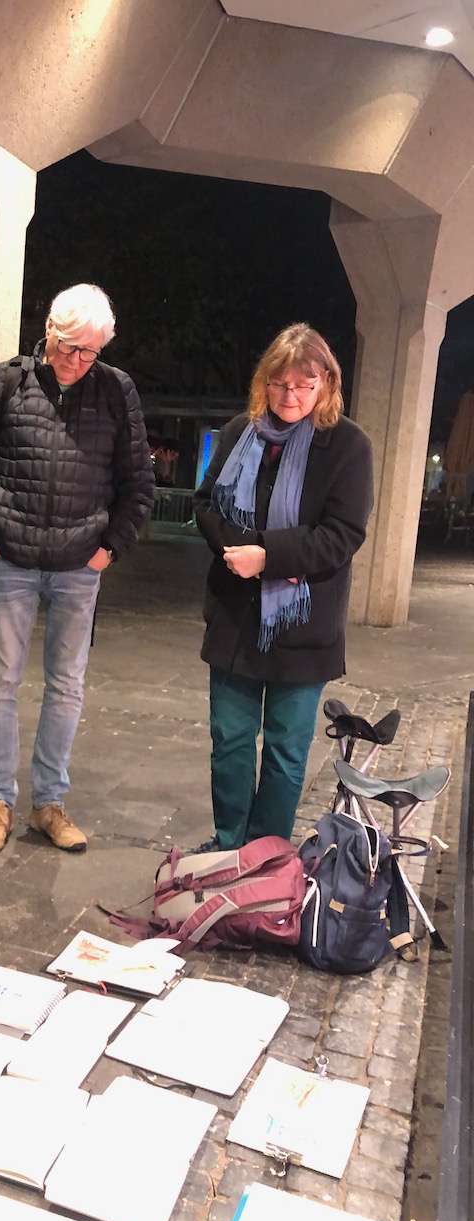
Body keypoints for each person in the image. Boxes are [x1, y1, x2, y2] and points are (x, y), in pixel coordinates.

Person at [0, 284, 156, 857]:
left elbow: (139, 483)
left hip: (79, 565)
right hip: (11, 558)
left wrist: (108, 549)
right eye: (68, 346)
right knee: (0, 681)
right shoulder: (7, 381)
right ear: (48, 330)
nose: (77, 360)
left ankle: (49, 803)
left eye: (90, 351)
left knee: (67, 685)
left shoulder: (116, 390)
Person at [192, 323, 374, 853]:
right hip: (235, 618)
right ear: (264, 382)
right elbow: (205, 504)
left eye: (303, 385)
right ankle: (230, 847)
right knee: (229, 740)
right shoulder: (239, 433)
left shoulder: (348, 446)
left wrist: (270, 558)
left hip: (303, 626)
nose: (289, 396)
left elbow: (343, 534)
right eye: (279, 383)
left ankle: (265, 855)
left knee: (285, 751)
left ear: (326, 384)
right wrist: (241, 554)